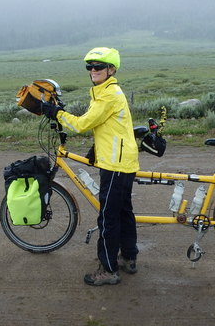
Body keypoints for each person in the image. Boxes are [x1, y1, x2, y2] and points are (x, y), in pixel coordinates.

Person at [41, 47, 140, 286]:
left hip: (116, 164)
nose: (93, 70)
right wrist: (98, 147)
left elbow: (83, 124)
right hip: (122, 160)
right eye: (90, 67)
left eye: (98, 67)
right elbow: (111, 126)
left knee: (108, 218)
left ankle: (108, 270)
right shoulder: (105, 91)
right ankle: (128, 257)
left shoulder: (108, 94)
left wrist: (57, 113)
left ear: (111, 69)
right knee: (123, 213)